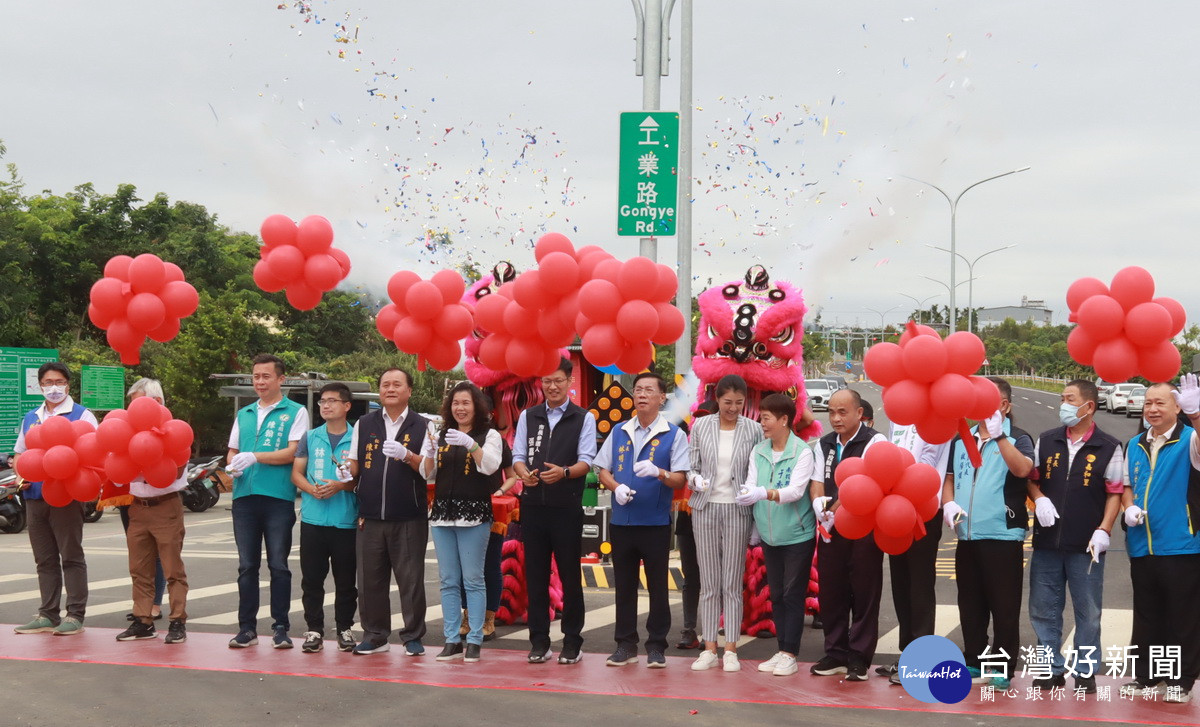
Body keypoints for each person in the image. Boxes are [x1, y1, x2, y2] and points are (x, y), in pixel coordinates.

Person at [1026, 379, 1122, 694]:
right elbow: (1032, 478)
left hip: (1087, 546)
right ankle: (1050, 668)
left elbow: (1115, 492)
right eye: (1063, 398)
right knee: (1043, 607)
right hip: (1047, 542)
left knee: (1089, 610)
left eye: (1070, 399)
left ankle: (1085, 671)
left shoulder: (1108, 446)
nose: (1063, 405)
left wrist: (1104, 528)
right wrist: (1038, 498)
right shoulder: (1047, 439)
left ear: (1089, 406)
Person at [942, 376, 1033, 690]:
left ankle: (1002, 667)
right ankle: (974, 661)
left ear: (1004, 405)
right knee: (970, 604)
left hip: (1002, 535)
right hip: (967, 535)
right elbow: (949, 478)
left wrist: (999, 438)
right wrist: (948, 502)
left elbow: (1023, 470)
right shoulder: (961, 440)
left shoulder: (1019, 438)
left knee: (1004, 606)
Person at [595, 372, 690, 668]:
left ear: (662, 398)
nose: (642, 394)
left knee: (658, 587)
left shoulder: (674, 434)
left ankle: (656, 646)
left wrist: (659, 472)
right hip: (622, 521)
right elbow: (602, 469)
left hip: (655, 523)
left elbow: (680, 479)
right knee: (623, 586)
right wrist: (616, 487)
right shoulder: (620, 429)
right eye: (638, 389)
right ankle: (625, 644)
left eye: (649, 390)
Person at [511, 357, 597, 664]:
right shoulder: (528, 416)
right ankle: (539, 641)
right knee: (535, 577)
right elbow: (518, 455)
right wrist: (523, 473)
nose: (552, 386)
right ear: (540, 383)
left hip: (566, 507)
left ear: (569, 382)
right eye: (547, 381)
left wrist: (564, 472)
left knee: (571, 577)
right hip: (533, 507)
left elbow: (587, 461)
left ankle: (572, 642)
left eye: (558, 380)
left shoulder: (582, 418)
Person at [1121, 377, 1200, 704]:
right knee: (1147, 614)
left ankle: (1181, 681)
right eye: (1148, 403)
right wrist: (1129, 509)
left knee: (1183, 616)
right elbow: (1126, 485)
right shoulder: (1136, 443)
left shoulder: (1190, 439)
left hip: (1181, 544)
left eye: (1160, 403)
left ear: (1177, 406)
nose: (1152, 409)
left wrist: (1196, 417)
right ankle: (1146, 677)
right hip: (1142, 544)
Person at [346, 368, 435, 656]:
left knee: (410, 580)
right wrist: (345, 470)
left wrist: (407, 455)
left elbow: (429, 471)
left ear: (409, 390)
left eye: (397, 384)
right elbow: (354, 464)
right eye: (385, 384)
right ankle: (374, 634)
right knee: (370, 580)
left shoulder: (424, 425)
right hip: (369, 515)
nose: (390, 389)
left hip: (409, 516)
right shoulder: (365, 422)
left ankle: (412, 636)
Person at [225, 354, 309, 649]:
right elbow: (233, 452)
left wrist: (255, 456)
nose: (259, 382)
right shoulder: (244, 413)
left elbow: (292, 453)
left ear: (280, 380)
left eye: (266, 377)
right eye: (256, 376)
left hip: (277, 499)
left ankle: (281, 627)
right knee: (247, 565)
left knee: (278, 565)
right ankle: (246, 628)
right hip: (244, 498)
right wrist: (233, 465)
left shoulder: (295, 412)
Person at [11, 362, 98, 636]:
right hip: (35, 497)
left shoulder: (83, 416)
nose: (54, 387)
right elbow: (19, 455)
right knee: (44, 559)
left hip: (67, 497)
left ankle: (75, 614)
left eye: (59, 382)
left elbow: (94, 455)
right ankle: (47, 613)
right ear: (40, 386)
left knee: (71, 556)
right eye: (48, 382)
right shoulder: (31, 417)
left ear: (68, 385)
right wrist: (20, 474)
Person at [419, 382, 503, 664]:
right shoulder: (439, 434)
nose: (460, 408)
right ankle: (452, 638)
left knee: (473, 579)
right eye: (456, 403)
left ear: (476, 406)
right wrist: (429, 453)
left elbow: (490, 466)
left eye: (466, 403)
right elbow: (426, 473)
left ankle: (475, 639)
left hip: (474, 514)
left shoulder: (489, 434)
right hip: (443, 513)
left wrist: (471, 444)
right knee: (448, 580)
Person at [734, 393, 816, 677]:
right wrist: (747, 494)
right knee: (778, 595)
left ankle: (790, 653)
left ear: (784, 420)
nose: (762, 423)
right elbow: (751, 484)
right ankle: (782, 650)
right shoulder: (759, 450)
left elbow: (795, 491)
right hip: (769, 535)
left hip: (796, 535)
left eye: (767, 418)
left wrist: (764, 493)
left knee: (793, 595)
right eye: (761, 417)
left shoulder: (803, 452)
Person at [809, 388, 886, 681]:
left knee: (864, 592)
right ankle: (836, 652)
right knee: (832, 591)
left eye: (842, 412)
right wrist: (819, 504)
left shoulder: (873, 441)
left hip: (863, 527)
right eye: (831, 412)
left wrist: (834, 510)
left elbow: (865, 480)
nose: (836, 418)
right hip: (830, 529)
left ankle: (859, 657)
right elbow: (817, 479)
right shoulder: (825, 443)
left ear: (858, 413)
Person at [685, 374, 761, 673]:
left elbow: (756, 469)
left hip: (737, 510)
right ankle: (708, 648)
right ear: (717, 400)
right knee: (708, 583)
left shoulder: (753, 430)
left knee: (731, 582)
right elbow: (689, 466)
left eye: (739, 403)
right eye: (728, 402)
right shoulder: (701, 426)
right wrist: (695, 480)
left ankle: (730, 648)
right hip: (705, 508)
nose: (733, 408)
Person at [114, 378, 190, 645]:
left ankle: (177, 621)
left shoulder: (174, 432)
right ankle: (143, 620)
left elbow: (174, 473)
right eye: (131, 404)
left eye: (138, 404)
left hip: (165, 506)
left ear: (156, 403)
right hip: (137, 507)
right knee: (139, 569)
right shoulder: (127, 432)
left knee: (172, 569)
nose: (132, 411)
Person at [878, 422, 950, 684]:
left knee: (919, 584)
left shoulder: (934, 416)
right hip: (894, 505)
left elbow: (931, 462)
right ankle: (907, 653)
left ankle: (922, 659)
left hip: (924, 506)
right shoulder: (898, 418)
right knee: (901, 581)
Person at [291, 382, 358, 654]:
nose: (326, 406)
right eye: (322, 402)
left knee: (345, 580)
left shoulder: (358, 437)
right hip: (313, 520)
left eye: (332, 400)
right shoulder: (310, 436)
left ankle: (345, 628)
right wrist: (310, 489)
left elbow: (361, 480)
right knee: (312, 580)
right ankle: (314, 630)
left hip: (345, 521)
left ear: (346, 406)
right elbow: (296, 473)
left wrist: (340, 486)